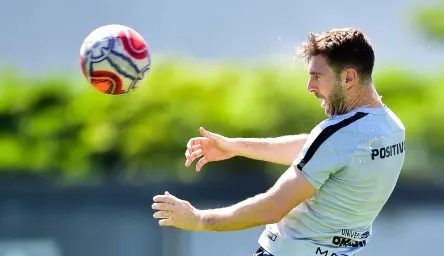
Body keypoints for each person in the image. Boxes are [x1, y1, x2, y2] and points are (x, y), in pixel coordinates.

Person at [151, 28, 406, 256]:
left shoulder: (337, 135)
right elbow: (318, 149)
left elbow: (271, 208)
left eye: (317, 76)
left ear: (348, 78)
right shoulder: (391, 127)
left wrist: (198, 220)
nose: (310, 86)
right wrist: (235, 146)